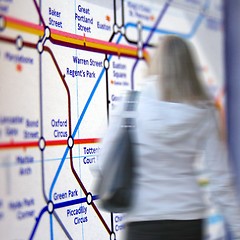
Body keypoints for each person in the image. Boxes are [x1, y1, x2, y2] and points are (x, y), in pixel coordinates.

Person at [97, 35, 240, 240]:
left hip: (143, 221)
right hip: (189, 220)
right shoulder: (205, 111)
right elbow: (220, 181)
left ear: (158, 63)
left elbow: (103, 163)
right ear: (189, 66)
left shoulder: (130, 105)